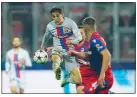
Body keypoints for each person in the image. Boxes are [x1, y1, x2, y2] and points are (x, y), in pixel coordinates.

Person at [68, 17, 114, 93]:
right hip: (96, 76)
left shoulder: (95, 40)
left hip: (104, 78)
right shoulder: (92, 40)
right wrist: (76, 53)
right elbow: (88, 54)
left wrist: (102, 75)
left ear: (85, 27)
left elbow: (107, 55)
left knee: (81, 91)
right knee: (80, 90)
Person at [40, 6, 82, 85]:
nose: (56, 18)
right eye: (53, 17)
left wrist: (72, 41)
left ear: (62, 14)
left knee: (78, 81)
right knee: (55, 57)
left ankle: (68, 79)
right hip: (57, 49)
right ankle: (56, 68)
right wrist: (42, 47)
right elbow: (46, 37)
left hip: (70, 52)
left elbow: (79, 37)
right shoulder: (50, 26)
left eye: (57, 16)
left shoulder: (71, 23)